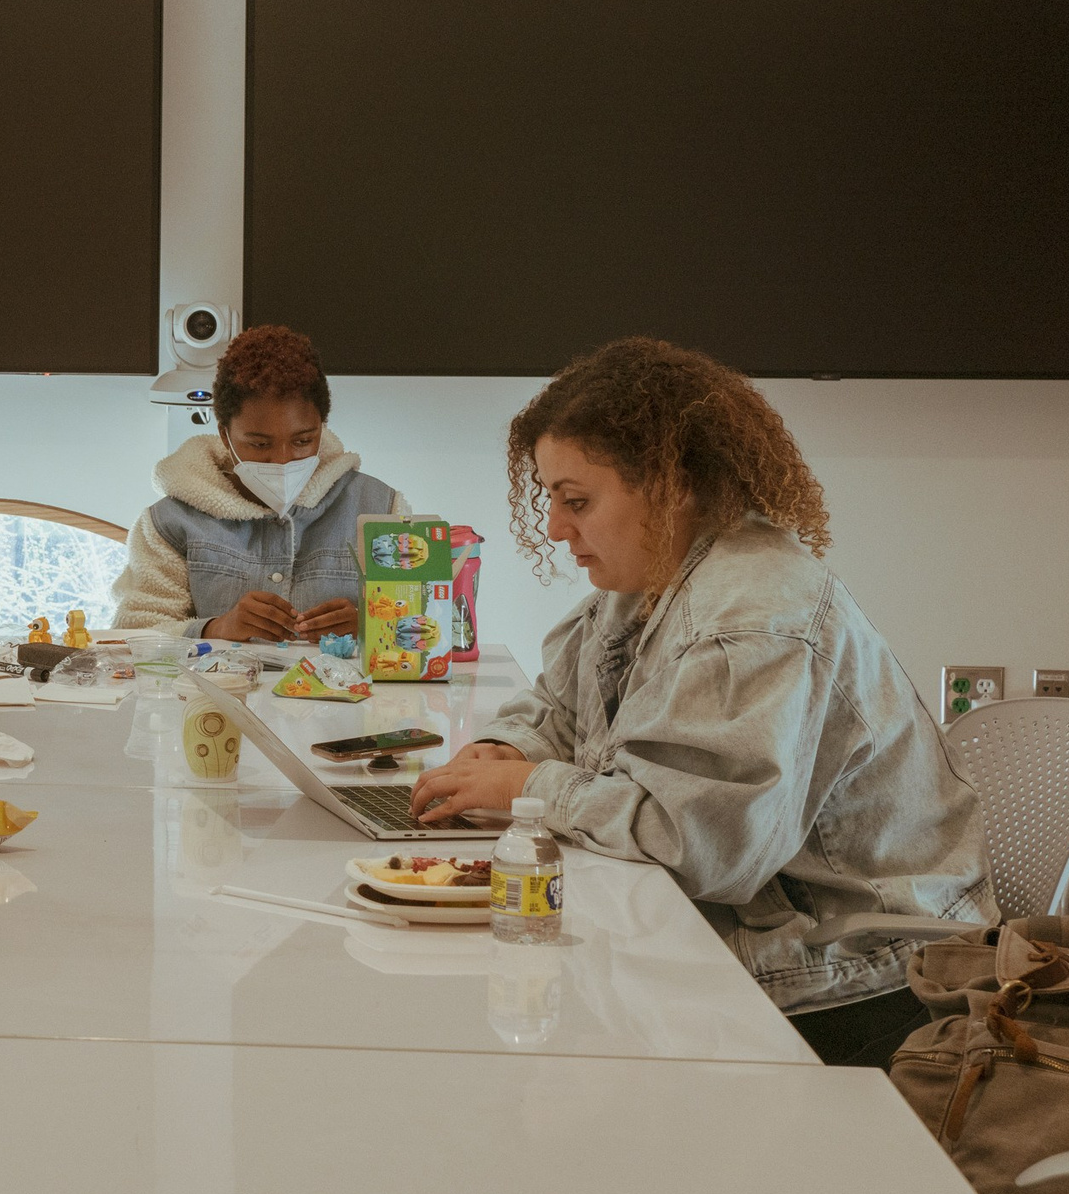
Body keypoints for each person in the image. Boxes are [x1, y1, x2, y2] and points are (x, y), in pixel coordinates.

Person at [409, 336, 989, 1067]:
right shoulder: (649, 578)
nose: (555, 528)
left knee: (513, 1039)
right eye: (551, 500)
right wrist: (511, 747)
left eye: (576, 501)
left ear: (669, 483)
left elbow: (702, 851)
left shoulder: (750, 621)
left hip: (859, 981)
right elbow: (560, 705)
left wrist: (530, 785)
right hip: (768, 940)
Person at [111, 324, 405, 641]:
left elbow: (427, 628)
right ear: (225, 435)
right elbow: (133, 634)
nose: (283, 460)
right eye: (260, 444)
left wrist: (372, 625)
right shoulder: (168, 524)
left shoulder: (379, 511)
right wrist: (215, 628)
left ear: (321, 426)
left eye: (303, 440)